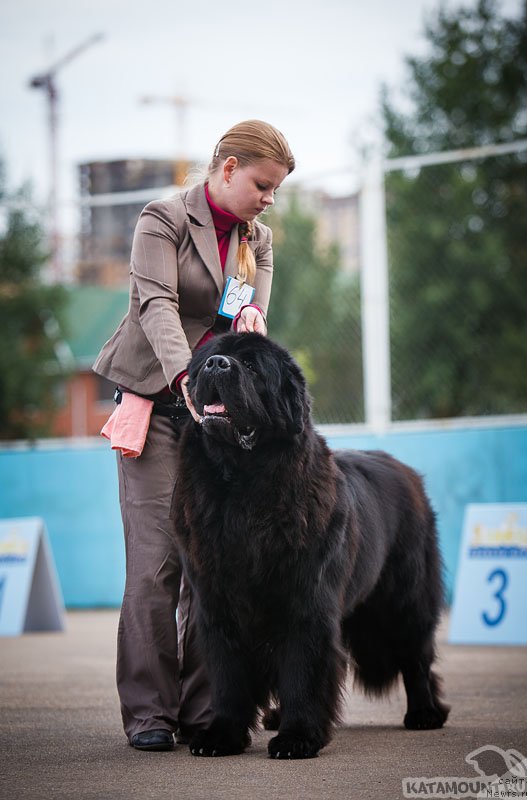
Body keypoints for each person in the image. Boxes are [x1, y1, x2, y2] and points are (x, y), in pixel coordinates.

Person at [93, 119, 295, 751]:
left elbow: (247, 323)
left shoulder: (257, 241)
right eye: (262, 184)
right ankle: (151, 714)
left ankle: (211, 710)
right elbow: (153, 303)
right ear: (228, 167)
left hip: (219, 426)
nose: (268, 199)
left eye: (277, 191)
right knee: (157, 568)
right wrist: (188, 374)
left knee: (219, 569)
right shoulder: (163, 219)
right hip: (157, 409)